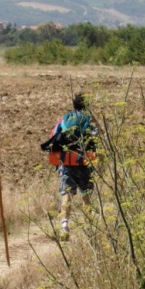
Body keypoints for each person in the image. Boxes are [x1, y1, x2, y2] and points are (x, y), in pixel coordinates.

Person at [50, 93, 96, 241]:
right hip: (83, 161)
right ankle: (89, 229)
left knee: (66, 194)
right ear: (86, 106)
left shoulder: (64, 118)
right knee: (86, 195)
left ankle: (64, 226)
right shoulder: (88, 119)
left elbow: (53, 137)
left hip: (66, 161)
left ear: (73, 105)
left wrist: (57, 164)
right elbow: (96, 136)